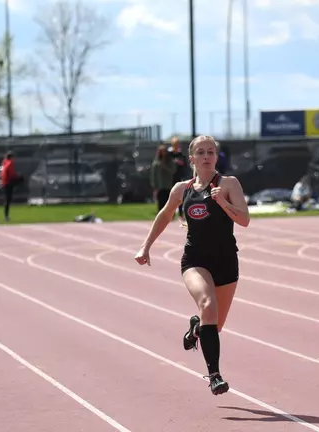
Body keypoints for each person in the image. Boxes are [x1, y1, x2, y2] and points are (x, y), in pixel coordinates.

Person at [134, 135, 250, 396]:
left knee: (215, 325)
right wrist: (146, 246)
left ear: (216, 156)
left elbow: (244, 220)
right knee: (208, 304)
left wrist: (223, 202)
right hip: (195, 260)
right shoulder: (181, 189)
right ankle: (215, 376)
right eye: (201, 152)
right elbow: (164, 215)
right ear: (191, 159)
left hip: (226, 260)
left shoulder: (229, 184)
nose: (207, 156)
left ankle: (198, 327)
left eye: (211, 152)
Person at [149, 144, 176, 212]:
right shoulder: (156, 162)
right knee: (161, 203)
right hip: (160, 186)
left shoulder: (169, 161)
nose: (163, 153)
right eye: (161, 151)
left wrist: (165, 166)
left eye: (164, 151)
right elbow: (153, 174)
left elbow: (173, 170)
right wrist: (154, 186)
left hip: (168, 185)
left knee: (168, 203)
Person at [0, 152, 22, 221]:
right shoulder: (10, 163)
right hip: (8, 183)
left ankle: (6, 216)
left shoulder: (4, 163)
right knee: (8, 200)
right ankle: (6, 216)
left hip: (4, 182)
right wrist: (18, 178)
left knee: (7, 199)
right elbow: (12, 174)